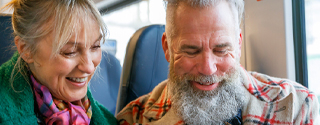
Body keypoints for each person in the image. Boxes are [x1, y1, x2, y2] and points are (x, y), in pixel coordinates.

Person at [116, 0, 319, 124]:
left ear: (238, 44)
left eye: (221, 50)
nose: (207, 68)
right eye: (191, 50)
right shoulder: (133, 120)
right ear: (167, 48)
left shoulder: (296, 107)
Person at [0, 0, 117, 124]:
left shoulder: (109, 120)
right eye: (70, 52)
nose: (89, 68)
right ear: (26, 50)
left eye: (95, 47)